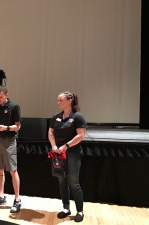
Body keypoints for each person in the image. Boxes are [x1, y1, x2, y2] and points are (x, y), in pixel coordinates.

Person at [48, 91, 87, 222]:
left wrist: (66, 146)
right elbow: (51, 133)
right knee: (61, 180)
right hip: (58, 153)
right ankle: (66, 208)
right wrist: (54, 146)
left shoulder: (78, 117)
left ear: (69, 101)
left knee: (73, 182)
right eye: (57, 100)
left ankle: (80, 211)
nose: (58, 102)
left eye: (60, 100)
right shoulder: (56, 116)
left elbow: (80, 135)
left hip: (72, 153)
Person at [0, 85, 22, 213]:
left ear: (6, 95)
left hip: (9, 140)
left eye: (1, 97)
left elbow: (18, 126)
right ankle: (1, 196)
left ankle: (17, 199)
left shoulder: (14, 107)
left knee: (13, 170)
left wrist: (6, 128)